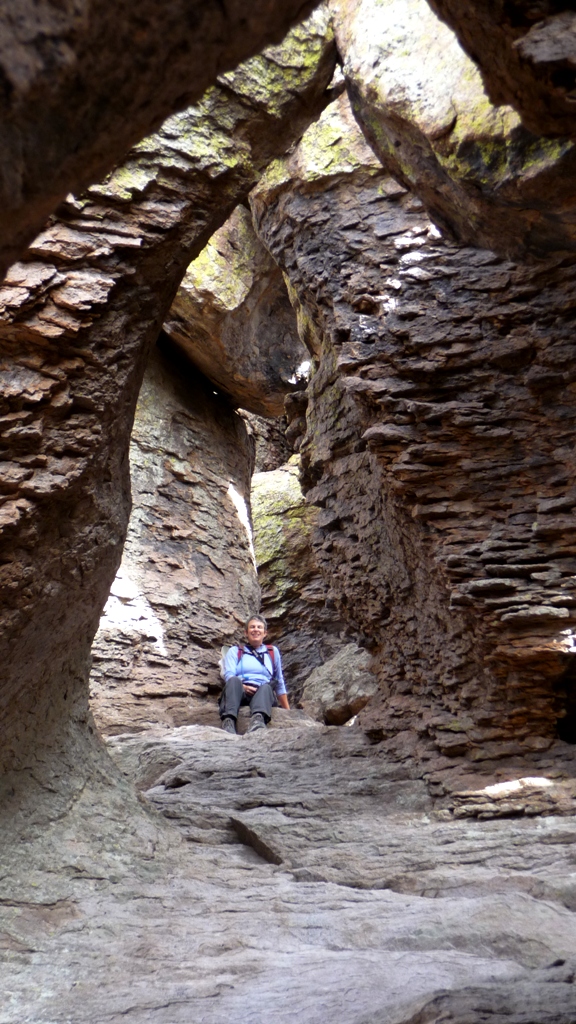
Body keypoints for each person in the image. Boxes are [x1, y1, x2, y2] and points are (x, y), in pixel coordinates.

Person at [220, 615, 289, 734]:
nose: (256, 629)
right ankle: (229, 721)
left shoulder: (272, 652)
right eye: (252, 627)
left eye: (259, 627)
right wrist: (243, 687)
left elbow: (279, 681)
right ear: (246, 632)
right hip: (240, 692)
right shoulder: (235, 651)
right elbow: (229, 674)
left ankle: (258, 721)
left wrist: (288, 711)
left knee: (267, 687)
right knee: (233, 680)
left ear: (265, 633)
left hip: (263, 693)